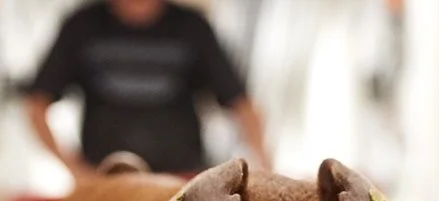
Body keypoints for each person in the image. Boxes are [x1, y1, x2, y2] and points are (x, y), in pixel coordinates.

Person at [26, 0, 270, 179]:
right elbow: (37, 104)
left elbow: (242, 105)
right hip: (109, 184)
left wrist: (267, 171)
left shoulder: (192, 28)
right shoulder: (81, 27)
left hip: (181, 184)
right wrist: (76, 170)